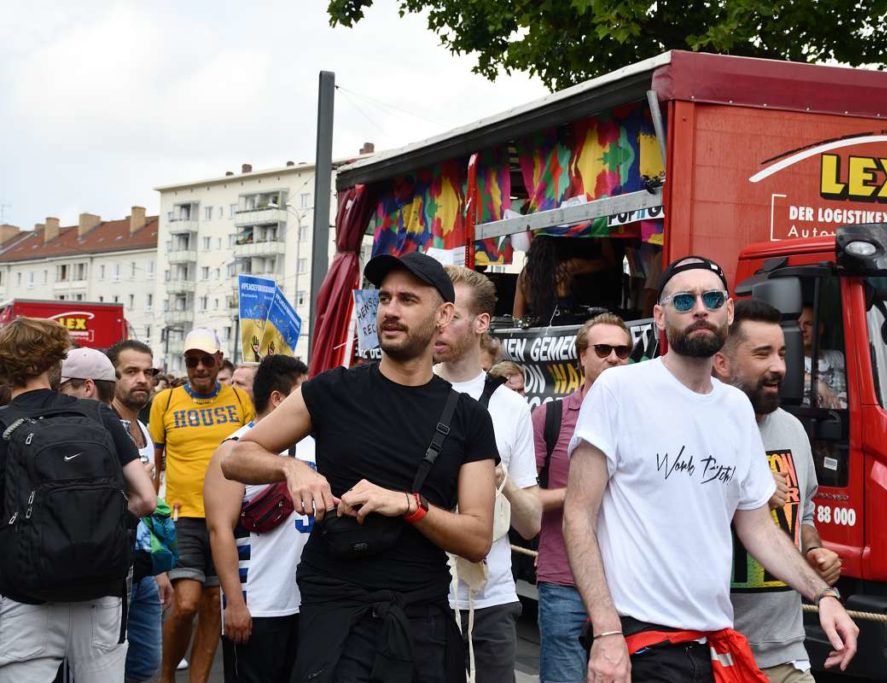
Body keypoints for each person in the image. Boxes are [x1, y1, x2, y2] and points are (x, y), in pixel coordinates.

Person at [563, 256, 859, 682]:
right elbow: (578, 515)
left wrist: (824, 595)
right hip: (641, 641)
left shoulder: (735, 407)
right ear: (661, 318)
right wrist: (607, 632)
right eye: (684, 299)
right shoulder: (619, 390)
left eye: (712, 297)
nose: (700, 308)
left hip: (711, 643)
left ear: (729, 312)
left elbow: (756, 527)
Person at [221, 251, 499, 682]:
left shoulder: (467, 417)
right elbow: (233, 456)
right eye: (384, 298)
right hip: (335, 616)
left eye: (407, 299)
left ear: (444, 315)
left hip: (420, 619)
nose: (389, 309)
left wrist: (410, 505)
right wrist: (291, 470)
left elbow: (478, 538)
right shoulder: (333, 390)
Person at [0, 317, 156, 682]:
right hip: (100, 591)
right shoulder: (97, 413)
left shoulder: (4, 422)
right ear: (56, 363)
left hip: (25, 596)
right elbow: (146, 499)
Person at [714, 300, 843, 682]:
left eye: (783, 353)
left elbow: (803, 514)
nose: (780, 368)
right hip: (712, 651)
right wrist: (747, 488)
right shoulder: (697, 430)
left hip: (786, 651)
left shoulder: (792, 430)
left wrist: (814, 550)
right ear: (722, 363)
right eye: (762, 354)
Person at [434, 265, 542, 682]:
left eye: (451, 314)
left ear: (481, 323)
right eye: (436, 313)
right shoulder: (409, 392)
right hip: (420, 598)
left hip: (490, 600)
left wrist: (501, 479)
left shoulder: (511, 408)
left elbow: (531, 525)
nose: (439, 324)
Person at [531, 312, 633, 683]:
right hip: (564, 578)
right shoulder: (551, 416)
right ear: (581, 356)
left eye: (623, 351)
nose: (614, 358)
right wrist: (579, 493)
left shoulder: (644, 418)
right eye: (603, 349)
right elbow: (528, 501)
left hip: (629, 583)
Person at [149, 328, 255, 683]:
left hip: (227, 517)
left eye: (206, 360)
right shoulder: (165, 401)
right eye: (192, 361)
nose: (199, 367)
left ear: (219, 361)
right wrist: (152, 520)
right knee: (186, 603)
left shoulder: (241, 401)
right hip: (182, 516)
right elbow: (155, 464)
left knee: (213, 605)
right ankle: (165, 676)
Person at [205, 355, 313, 683]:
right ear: (278, 399)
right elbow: (219, 529)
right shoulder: (233, 451)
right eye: (304, 393)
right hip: (259, 604)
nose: (313, 402)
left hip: (307, 603)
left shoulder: (313, 444)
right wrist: (235, 603)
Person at [105, 340, 174, 683]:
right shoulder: (102, 429)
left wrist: (159, 567)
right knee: (107, 666)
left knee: (146, 664)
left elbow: (154, 503)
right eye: (131, 372)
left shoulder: (143, 429)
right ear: (111, 376)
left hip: (144, 567)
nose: (143, 380)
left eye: (149, 372)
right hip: (111, 568)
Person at [512, 235, 617, 325]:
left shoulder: (525, 275)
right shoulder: (566, 268)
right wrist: (603, 234)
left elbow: (517, 319)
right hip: (564, 330)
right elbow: (608, 262)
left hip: (538, 338)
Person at [797, 306, 846, 409]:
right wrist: (816, 383)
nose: (802, 329)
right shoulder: (789, 360)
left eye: (809, 324)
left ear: (821, 328)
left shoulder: (838, 357)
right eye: (797, 324)